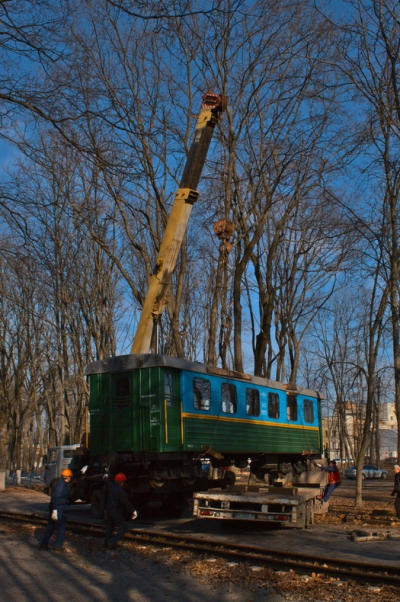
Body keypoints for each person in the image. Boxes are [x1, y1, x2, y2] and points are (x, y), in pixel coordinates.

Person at [39, 468, 72, 551]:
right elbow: (55, 497)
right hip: (57, 508)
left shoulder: (61, 482)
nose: (70, 478)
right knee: (61, 527)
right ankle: (57, 546)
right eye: (70, 477)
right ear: (67, 478)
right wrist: (55, 510)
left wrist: (80, 472)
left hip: (55, 507)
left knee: (51, 526)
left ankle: (43, 544)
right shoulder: (61, 486)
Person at [104, 473, 137, 550]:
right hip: (116, 512)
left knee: (110, 527)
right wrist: (133, 510)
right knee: (124, 527)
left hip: (108, 511)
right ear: (122, 482)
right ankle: (112, 542)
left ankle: (106, 543)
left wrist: (105, 477)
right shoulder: (121, 492)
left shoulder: (111, 486)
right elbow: (125, 503)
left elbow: (106, 481)